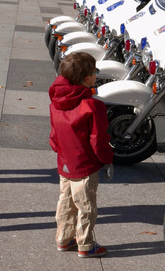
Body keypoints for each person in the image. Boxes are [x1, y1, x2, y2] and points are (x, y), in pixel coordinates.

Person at [49, 52, 114, 258]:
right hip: (85, 166)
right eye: (95, 72)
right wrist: (107, 160)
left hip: (65, 163)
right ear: (87, 78)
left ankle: (63, 238)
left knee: (65, 202)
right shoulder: (92, 106)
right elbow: (98, 140)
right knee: (86, 206)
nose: (96, 74)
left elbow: (54, 136)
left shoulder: (56, 101)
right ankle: (85, 245)